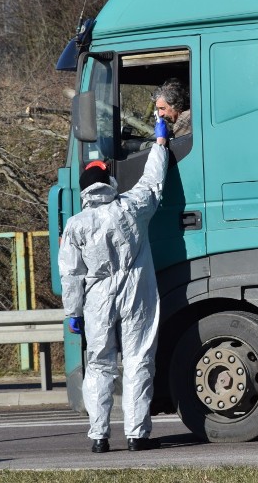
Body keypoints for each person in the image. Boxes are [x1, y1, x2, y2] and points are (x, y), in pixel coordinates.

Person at [58, 118, 169, 453]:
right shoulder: (130, 207)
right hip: (136, 290)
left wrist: (73, 312)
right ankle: (137, 435)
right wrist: (160, 145)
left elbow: (71, 274)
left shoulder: (76, 225)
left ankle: (98, 436)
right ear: (109, 182)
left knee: (99, 364)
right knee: (137, 359)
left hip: (97, 297)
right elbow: (152, 182)